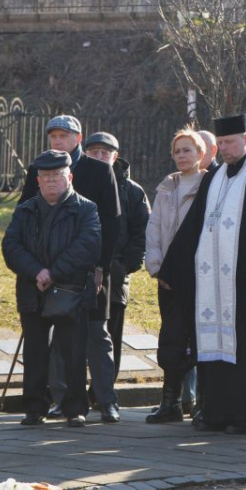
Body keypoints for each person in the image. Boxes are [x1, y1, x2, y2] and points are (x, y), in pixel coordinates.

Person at [158, 114, 246, 434]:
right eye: (220, 143)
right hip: (213, 285)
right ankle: (216, 411)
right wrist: (172, 268)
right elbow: (194, 224)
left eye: (230, 142)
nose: (224, 148)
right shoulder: (215, 176)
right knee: (213, 348)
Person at [18, 115, 122, 423]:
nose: (57, 141)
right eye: (53, 136)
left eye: (64, 135)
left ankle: (103, 401)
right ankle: (52, 401)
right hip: (41, 272)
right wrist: (36, 268)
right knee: (46, 344)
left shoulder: (99, 170)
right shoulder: (37, 168)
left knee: (90, 336)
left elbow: (111, 222)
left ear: (78, 139)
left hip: (85, 272)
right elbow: (24, 217)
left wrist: (103, 266)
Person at [2, 150, 101, 427]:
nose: (51, 182)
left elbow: (88, 246)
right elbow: (11, 246)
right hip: (32, 289)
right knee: (34, 352)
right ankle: (34, 407)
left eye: (56, 176)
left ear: (69, 177)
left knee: (73, 352)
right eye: (45, 177)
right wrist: (37, 271)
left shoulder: (86, 209)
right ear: (37, 180)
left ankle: (74, 408)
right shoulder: (25, 210)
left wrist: (54, 273)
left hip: (71, 291)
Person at [144, 129, 207, 422]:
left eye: (188, 150)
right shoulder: (167, 187)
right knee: (171, 337)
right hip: (169, 275)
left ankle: (201, 402)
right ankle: (170, 402)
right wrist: (156, 267)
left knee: (200, 339)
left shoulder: (210, 185)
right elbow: (154, 228)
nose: (182, 156)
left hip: (199, 276)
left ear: (201, 154)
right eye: (178, 151)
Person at [82, 132, 150, 377]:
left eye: (105, 153)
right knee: (77, 333)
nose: (100, 157)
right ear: (85, 153)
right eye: (94, 152)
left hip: (116, 273)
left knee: (110, 334)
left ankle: (104, 392)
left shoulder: (133, 191)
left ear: (116, 156)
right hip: (79, 270)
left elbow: (142, 232)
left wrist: (124, 265)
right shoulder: (77, 181)